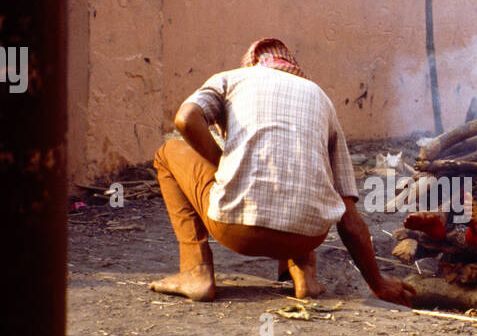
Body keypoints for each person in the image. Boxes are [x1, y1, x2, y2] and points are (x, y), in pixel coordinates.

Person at [151, 38, 415, 306]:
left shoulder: (231, 79)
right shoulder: (320, 98)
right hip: (305, 238)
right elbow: (350, 220)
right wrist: (378, 284)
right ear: (293, 70)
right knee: (298, 165)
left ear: (252, 65)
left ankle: (196, 271)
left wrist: (221, 162)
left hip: (236, 232)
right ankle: (304, 276)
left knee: (168, 152)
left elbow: (185, 119)